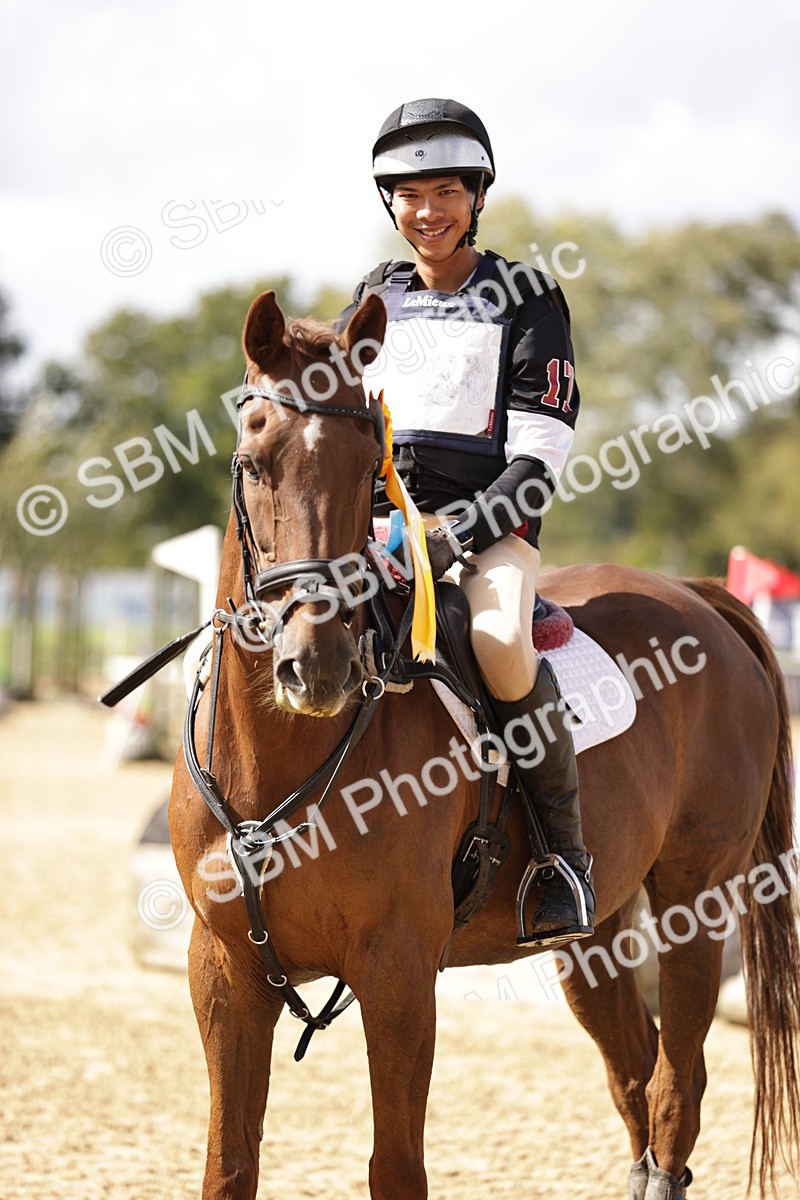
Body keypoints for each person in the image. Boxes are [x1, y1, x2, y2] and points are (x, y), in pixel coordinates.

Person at [337, 98, 594, 946]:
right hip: (376, 529)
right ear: (391, 206)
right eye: (409, 196)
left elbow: (538, 462)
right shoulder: (375, 295)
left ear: (476, 195)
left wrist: (447, 539)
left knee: (497, 641)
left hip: (488, 533)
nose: (427, 212)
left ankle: (564, 858)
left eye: (444, 191)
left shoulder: (527, 297)